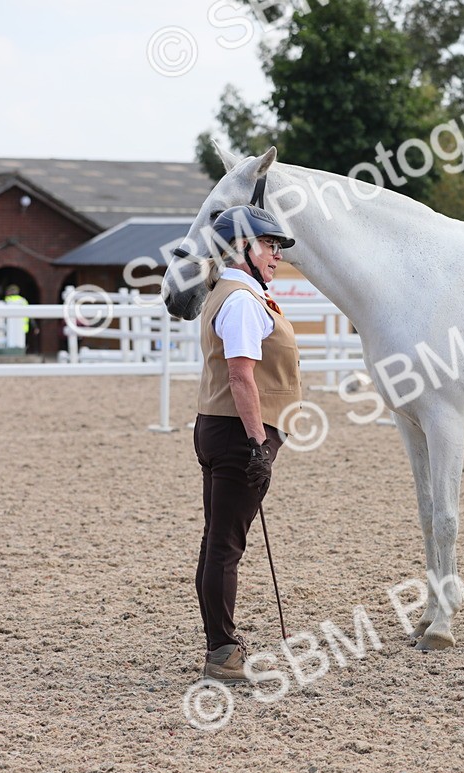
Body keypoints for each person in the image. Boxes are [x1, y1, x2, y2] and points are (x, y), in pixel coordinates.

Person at [193, 204, 301, 684]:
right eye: (270, 246)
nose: (277, 256)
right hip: (238, 432)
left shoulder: (235, 293)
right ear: (241, 248)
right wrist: (259, 443)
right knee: (225, 546)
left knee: (218, 540)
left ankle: (220, 643)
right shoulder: (239, 300)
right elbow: (241, 376)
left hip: (220, 427)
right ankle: (221, 652)